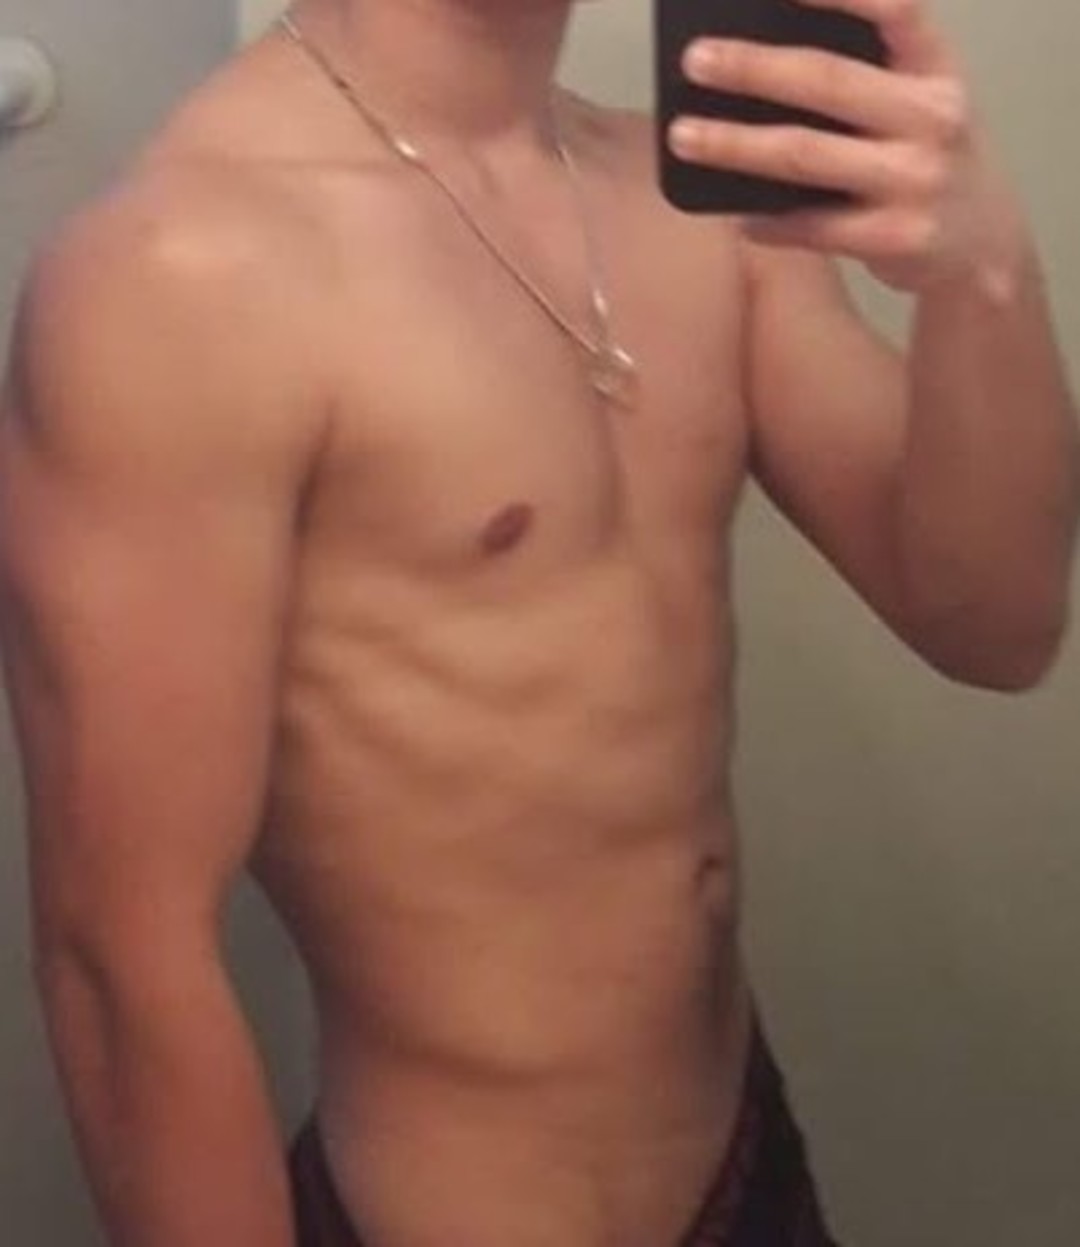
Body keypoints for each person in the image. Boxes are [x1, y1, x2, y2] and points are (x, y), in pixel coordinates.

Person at [0, 0, 1075, 1244]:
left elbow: (993, 620)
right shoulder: (185, 271)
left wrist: (984, 270)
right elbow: (121, 958)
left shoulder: (698, 202)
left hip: (745, 1159)